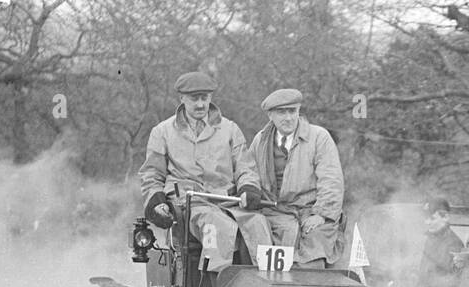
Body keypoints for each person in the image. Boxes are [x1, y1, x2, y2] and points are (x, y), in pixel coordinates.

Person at [139, 71, 271, 272]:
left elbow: (246, 168)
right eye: (194, 99)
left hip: (228, 201)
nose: (200, 104)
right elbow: (152, 175)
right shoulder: (162, 132)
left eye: (205, 98)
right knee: (216, 225)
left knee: (258, 223)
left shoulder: (230, 129)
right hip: (189, 204)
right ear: (182, 98)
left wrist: (248, 188)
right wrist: (157, 202)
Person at [249, 88, 345, 268]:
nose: (288, 118)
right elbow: (249, 175)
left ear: (299, 111)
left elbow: (331, 180)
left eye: (292, 111)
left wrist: (321, 214)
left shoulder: (319, 137)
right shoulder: (260, 141)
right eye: (281, 112)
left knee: (313, 258)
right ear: (270, 115)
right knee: (259, 258)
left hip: (312, 210)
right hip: (274, 213)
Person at [415, 196, 463, 287]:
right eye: (425, 218)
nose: (427, 222)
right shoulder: (430, 240)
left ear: (445, 217)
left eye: (432, 218)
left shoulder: (454, 244)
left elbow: (454, 284)